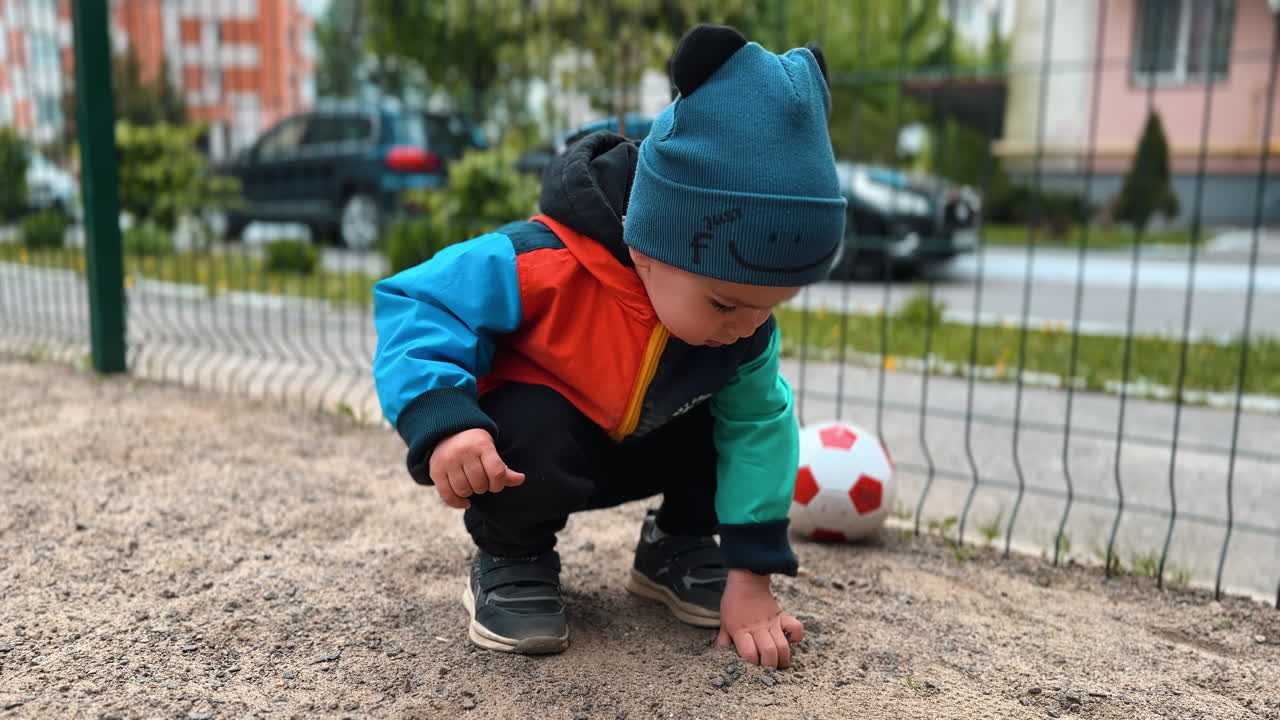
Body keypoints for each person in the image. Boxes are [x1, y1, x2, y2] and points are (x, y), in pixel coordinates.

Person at [372, 23, 846, 669]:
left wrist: (751, 580)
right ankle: (514, 558)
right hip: (533, 454)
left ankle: (677, 545)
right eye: (725, 303)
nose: (748, 325)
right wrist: (444, 423)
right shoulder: (544, 260)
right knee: (525, 421)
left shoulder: (741, 328)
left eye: (770, 307)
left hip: (644, 443)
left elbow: (763, 433)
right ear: (650, 247)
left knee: (741, 422)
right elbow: (421, 301)